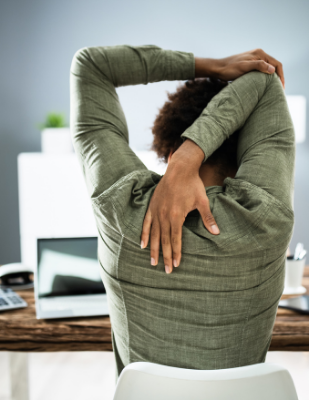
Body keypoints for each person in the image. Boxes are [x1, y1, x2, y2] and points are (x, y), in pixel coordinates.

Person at [70, 44, 294, 375]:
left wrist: (213, 65)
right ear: (247, 147)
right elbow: (265, 79)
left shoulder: (119, 205)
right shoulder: (265, 214)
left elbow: (92, 65)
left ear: (168, 153)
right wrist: (195, 150)